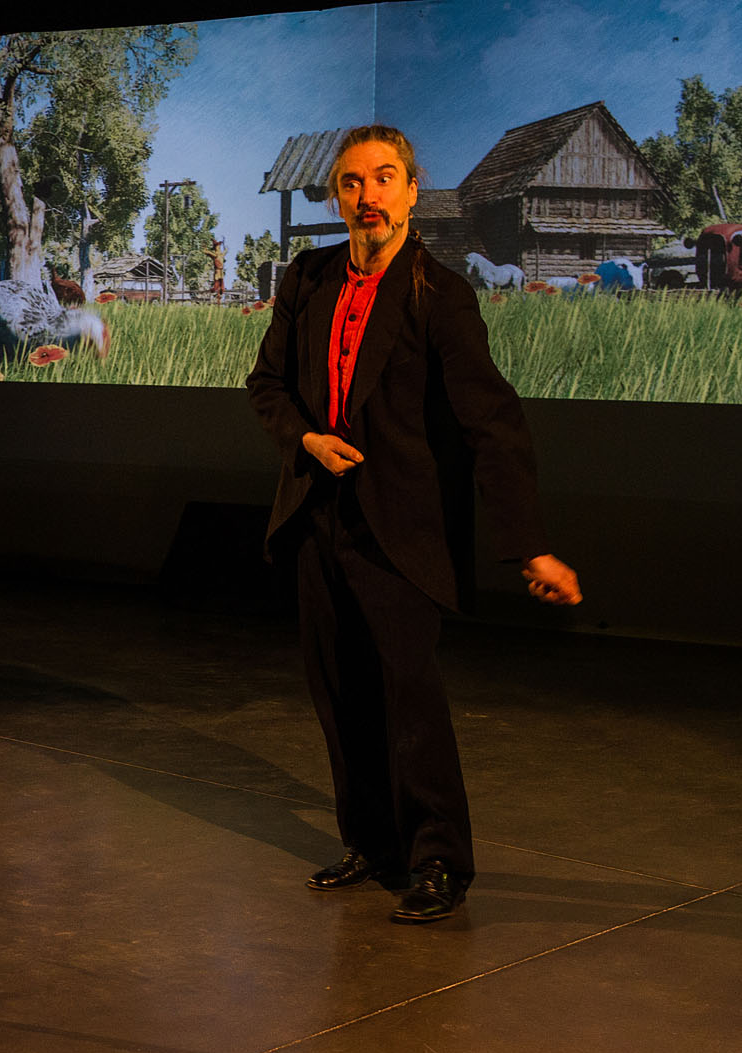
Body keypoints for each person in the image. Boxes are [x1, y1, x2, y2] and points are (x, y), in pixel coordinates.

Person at [246, 125, 582, 924]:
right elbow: (266, 384)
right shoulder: (307, 278)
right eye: (353, 183)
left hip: (401, 527)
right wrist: (305, 437)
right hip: (317, 517)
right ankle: (371, 842)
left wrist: (526, 541)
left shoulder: (440, 294)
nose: (368, 197)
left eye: (384, 179)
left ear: (410, 189)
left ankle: (438, 861)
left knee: (409, 702)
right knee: (340, 695)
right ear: (338, 195)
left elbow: (492, 423)